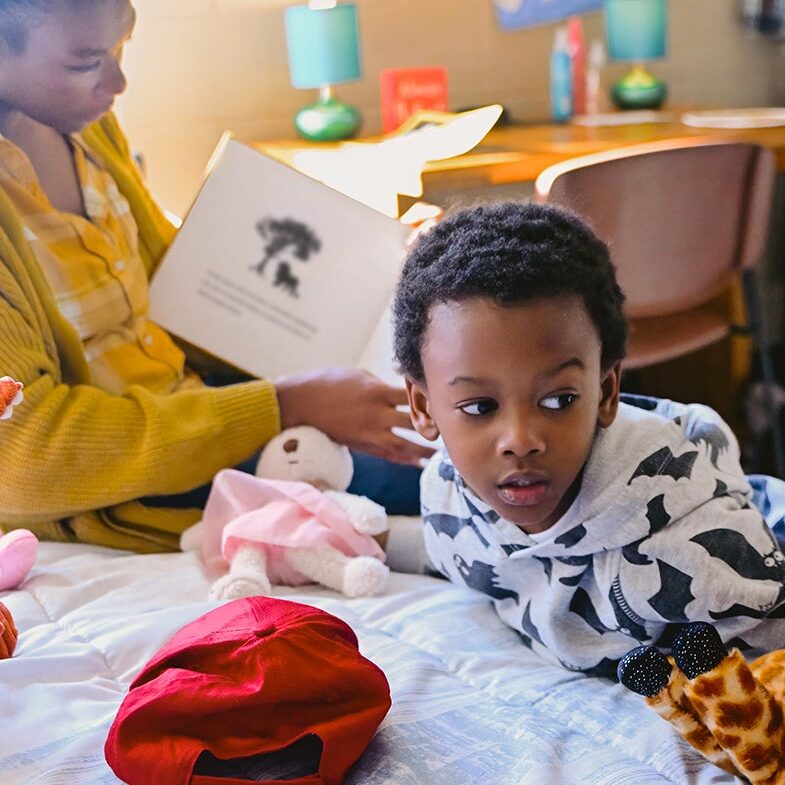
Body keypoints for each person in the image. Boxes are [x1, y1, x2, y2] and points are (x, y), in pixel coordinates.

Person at [0, 0, 429, 554]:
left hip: (196, 403)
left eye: (122, 47)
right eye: (87, 62)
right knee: (429, 474)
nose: (119, 82)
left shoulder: (87, 129)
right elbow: (21, 457)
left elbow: (174, 290)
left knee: (447, 435)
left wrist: (370, 270)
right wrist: (283, 405)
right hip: (131, 473)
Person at [392, 200, 785, 677]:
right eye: (479, 407)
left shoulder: (700, 563)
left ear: (605, 392)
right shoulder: (446, 494)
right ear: (423, 407)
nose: (520, 440)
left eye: (558, 400)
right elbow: (450, 549)